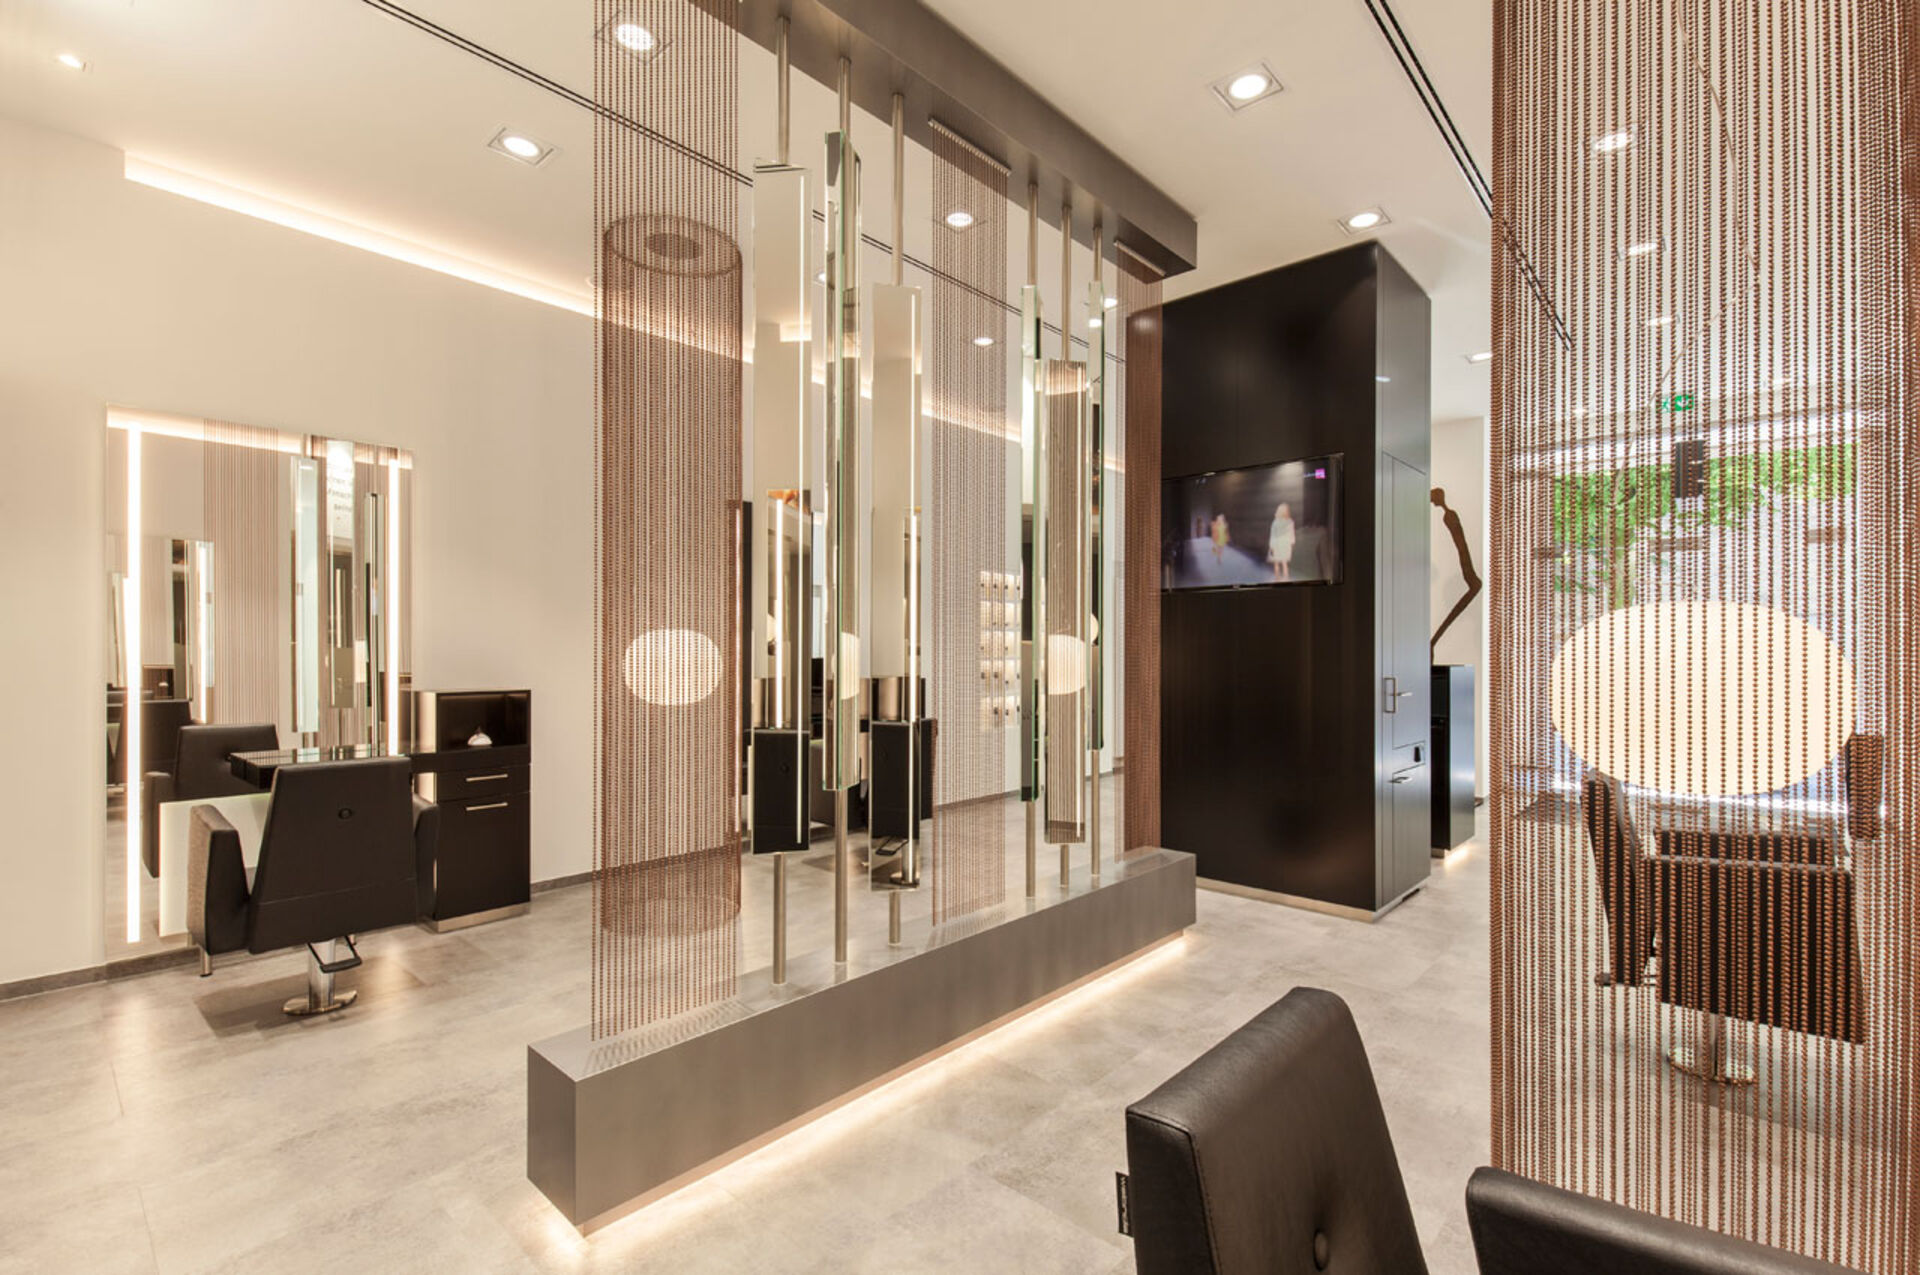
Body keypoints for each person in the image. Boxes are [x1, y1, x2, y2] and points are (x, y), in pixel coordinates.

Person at [1267, 502, 1296, 581]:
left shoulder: (1276, 522)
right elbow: (1292, 533)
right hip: (1285, 544)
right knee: (1284, 563)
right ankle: (1285, 578)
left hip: (1277, 544)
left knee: (1277, 563)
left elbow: (1273, 534)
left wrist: (1271, 545)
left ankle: (1278, 578)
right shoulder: (1289, 521)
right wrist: (1292, 542)